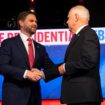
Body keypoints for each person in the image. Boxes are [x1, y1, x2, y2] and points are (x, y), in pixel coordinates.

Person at [42, 5, 103, 105]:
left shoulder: (88, 34)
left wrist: (65, 67)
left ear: (76, 17)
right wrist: (44, 74)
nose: (67, 21)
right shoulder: (80, 35)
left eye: (68, 18)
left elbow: (89, 61)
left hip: (84, 97)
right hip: (79, 97)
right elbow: (70, 63)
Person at [0, 11, 59, 105]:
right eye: (31, 21)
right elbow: (2, 67)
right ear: (21, 23)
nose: (35, 23)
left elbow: (52, 68)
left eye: (36, 21)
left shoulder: (40, 48)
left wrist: (68, 64)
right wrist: (26, 73)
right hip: (14, 98)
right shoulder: (9, 43)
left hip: (34, 98)